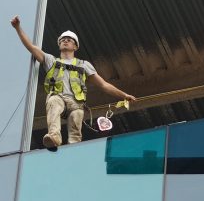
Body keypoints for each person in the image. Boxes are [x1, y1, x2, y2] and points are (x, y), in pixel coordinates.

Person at [11, 15, 136, 149]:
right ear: (59, 45)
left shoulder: (83, 65)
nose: (65, 41)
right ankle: (54, 137)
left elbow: (103, 84)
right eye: (62, 40)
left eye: (69, 40)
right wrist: (18, 28)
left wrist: (123, 95)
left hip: (76, 103)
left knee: (77, 119)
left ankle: (74, 148)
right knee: (53, 102)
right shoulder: (51, 61)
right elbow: (31, 47)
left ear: (75, 46)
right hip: (58, 97)